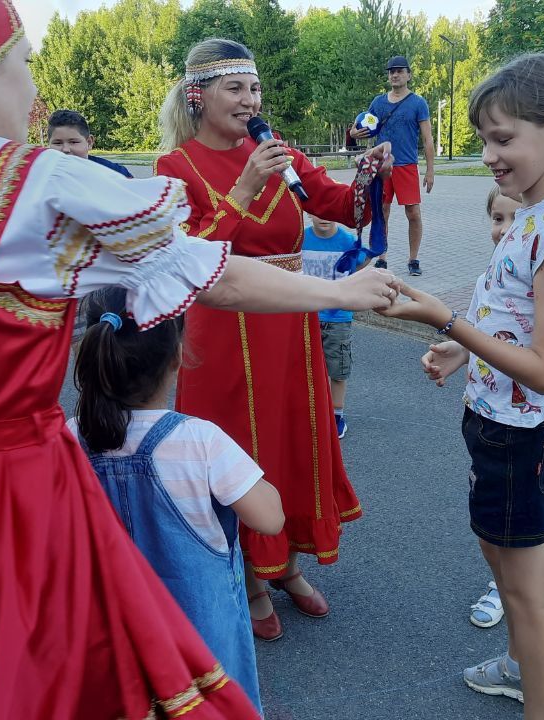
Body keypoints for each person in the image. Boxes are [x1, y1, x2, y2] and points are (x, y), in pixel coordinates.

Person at [0, 2, 395, 718]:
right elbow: (215, 276)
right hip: (25, 496)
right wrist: (341, 289)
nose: (34, 91)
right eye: (26, 62)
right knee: (57, 686)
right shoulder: (39, 184)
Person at [382, 52, 544, 720]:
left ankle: (539, 700)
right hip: (498, 423)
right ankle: (519, 666)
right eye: (484, 139)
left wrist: (443, 316)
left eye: (503, 138)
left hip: (522, 432)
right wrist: (462, 348)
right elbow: (512, 318)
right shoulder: (532, 216)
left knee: (529, 596)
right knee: (507, 574)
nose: (488, 155)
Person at [154, 38, 394, 641]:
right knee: (238, 450)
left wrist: (370, 178)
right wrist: (242, 189)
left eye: (254, 88)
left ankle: (285, 564)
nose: (250, 100)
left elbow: (336, 205)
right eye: (235, 88)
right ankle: (253, 578)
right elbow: (189, 253)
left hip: (288, 323)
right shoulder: (174, 168)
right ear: (198, 95)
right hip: (223, 328)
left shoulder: (274, 150)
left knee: (290, 437)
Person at [72, 287, 285, 712]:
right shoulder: (198, 440)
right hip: (198, 635)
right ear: (176, 356)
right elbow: (270, 519)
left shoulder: (70, 435)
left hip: (108, 623)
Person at [465, 187, 544, 635]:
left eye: (509, 218)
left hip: (530, 421)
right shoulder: (511, 255)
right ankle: (513, 589)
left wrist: (443, 321)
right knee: (518, 518)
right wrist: (457, 350)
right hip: (498, 413)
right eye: (495, 218)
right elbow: (493, 325)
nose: (501, 227)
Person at [351, 54, 434, 276]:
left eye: (399, 71)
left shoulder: (418, 103)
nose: (395, 74)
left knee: (413, 213)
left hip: (407, 165)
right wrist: (353, 133)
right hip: (382, 166)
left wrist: (430, 171)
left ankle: (413, 259)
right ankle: (381, 257)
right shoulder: (378, 103)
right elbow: (360, 127)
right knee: (382, 212)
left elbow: (427, 139)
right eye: (391, 71)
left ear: (408, 75)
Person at [302, 215, 362, 438]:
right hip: (307, 315)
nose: (322, 218)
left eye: (328, 212)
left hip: (338, 318)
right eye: (317, 212)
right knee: (306, 369)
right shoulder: (302, 238)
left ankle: (337, 416)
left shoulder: (347, 241)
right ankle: (309, 411)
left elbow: (360, 267)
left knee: (338, 370)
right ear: (309, 213)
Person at [46, 109, 134, 178]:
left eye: (73, 142)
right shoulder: (40, 176)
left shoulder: (115, 173)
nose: (65, 149)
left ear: (89, 142)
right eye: (57, 143)